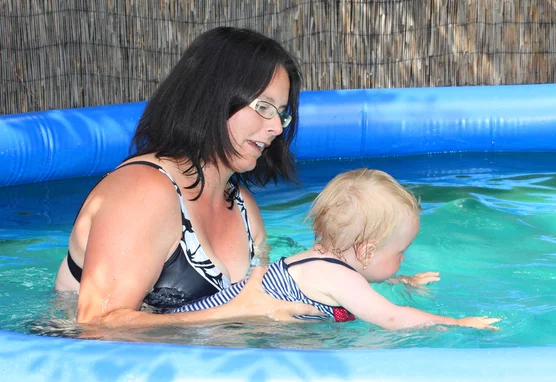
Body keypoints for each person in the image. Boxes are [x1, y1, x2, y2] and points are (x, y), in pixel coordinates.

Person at [54, 26, 324, 328]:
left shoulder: (245, 210)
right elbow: (96, 325)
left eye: (281, 113)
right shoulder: (142, 192)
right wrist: (234, 312)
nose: (276, 127)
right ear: (212, 99)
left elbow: (261, 307)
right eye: (263, 107)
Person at [172, 169, 501, 331]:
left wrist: (401, 281)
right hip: (212, 332)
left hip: (201, 315)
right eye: (401, 251)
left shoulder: (320, 259)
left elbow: (360, 280)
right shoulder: (339, 277)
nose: (404, 258)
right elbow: (390, 316)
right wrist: (455, 323)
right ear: (368, 251)